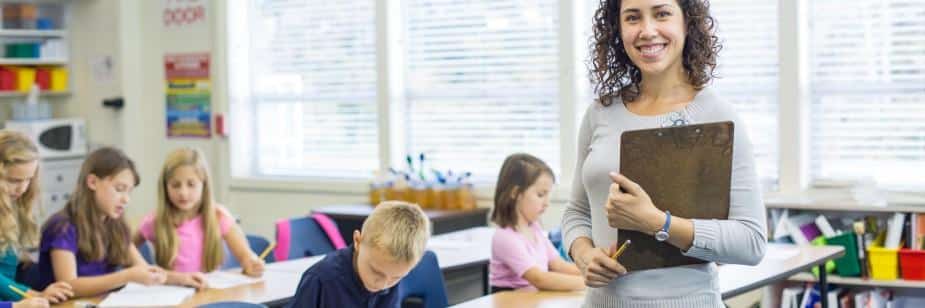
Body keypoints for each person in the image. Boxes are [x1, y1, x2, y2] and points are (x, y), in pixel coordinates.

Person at [562, 0, 767, 306]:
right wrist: (582, 253)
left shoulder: (717, 116)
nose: (647, 30)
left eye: (661, 14)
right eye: (633, 18)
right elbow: (577, 212)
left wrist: (658, 223)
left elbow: (751, 241)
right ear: (618, 28)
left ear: (688, 22)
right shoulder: (600, 113)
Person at [288, 201, 431, 308]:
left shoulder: (389, 273)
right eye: (375, 271)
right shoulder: (321, 280)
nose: (382, 285)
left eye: (396, 278)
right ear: (357, 241)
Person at [489, 153, 583, 292]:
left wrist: (593, 275)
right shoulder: (505, 238)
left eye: (548, 194)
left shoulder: (535, 229)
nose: (547, 202)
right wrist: (588, 285)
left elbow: (558, 265)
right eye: (540, 194)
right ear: (515, 193)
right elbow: (539, 278)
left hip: (531, 299)